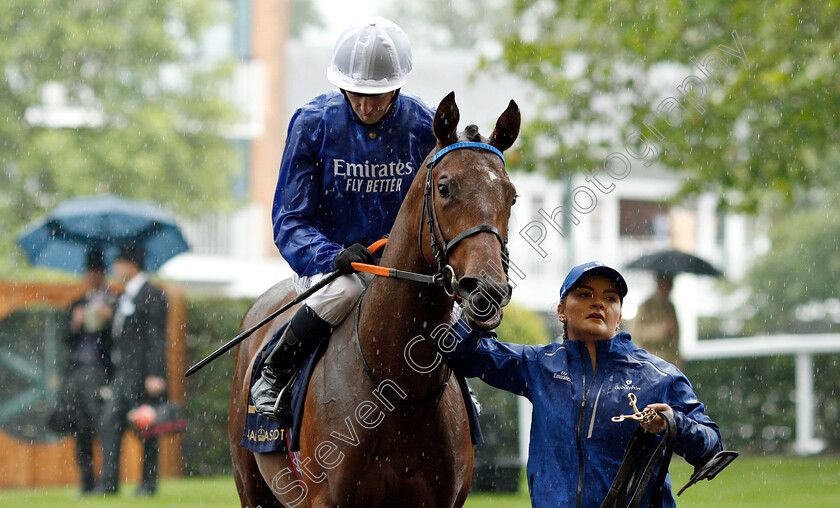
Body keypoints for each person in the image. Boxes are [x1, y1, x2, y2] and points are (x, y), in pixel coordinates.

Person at [250, 17, 437, 422]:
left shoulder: (427, 127)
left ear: (399, 86)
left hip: (403, 270)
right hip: (332, 269)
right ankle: (274, 372)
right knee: (346, 291)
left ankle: (462, 401)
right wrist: (329, 255)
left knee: (449, 314)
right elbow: (289, 220)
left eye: (378, 94)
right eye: (356, 93)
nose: (366, 106)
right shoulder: (312, 123)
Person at [438, 262, 722, 507]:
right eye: (585, 294)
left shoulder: (659, 375)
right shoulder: (538, 365)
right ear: (561, 311)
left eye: (610, 299)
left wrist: (674, 424)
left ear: (619, 317)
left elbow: (711, 449)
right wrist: (476, 314)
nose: (599, 303)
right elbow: (461, 353)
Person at [95, 243, 168, 497]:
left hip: (142, 375)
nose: (114, 267)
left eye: (118, 262)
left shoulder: (152, 293)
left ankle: (148, 484)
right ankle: (109, 484)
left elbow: (155, 337)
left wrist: (155, 374)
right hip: (121, 374)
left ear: (130, 264)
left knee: (146, 429)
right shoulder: (121, 294)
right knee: (109, 423)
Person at [50, 247, 114, 495]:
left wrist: (107, 319)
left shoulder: (112, 301)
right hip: (77, 371)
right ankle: (86, 482)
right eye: (90, 273)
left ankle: (106, 481)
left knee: (102, 425)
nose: (93, 277)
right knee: (80, 427)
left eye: (97, 273)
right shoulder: (77, 303)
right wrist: (75, 323)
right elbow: (64, 338)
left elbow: (117, 340)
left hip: (99, 371)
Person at [629, 273, 681, 368]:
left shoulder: (670, 307)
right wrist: (661, 329)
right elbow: (636, 333)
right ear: (659, 285)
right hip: (650, 363)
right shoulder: (646, 306)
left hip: (669, 364)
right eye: (665, 285)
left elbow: (676, 338)